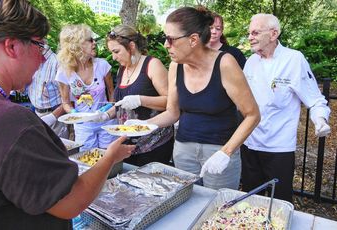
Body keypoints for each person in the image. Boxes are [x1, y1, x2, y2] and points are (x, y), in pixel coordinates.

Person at [0, 0, 135, 229]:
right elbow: (69, 201)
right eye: (40, 46)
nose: (44, 58)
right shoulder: (10, 121)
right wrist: (109, 158)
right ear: (12, 47)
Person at [128, 6, 260, 190]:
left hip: (219, 150)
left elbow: (252, 115)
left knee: (217, 209)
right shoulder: (176, 66)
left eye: (170, 39)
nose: (166, 44)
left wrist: (226, 152)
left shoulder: (225, 63)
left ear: (193, 40)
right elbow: (172, 113)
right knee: (188, 203)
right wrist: (143, 126)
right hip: (183, 149)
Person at [241, 13, 331, 203]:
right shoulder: (250, 62)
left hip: (278, 149)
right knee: (250, 201)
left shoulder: (294, 60)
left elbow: (315, 100)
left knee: (278, 203)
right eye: (249, 33)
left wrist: (320, 120)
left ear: (273, 34)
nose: (250, 37)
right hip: (250, 145)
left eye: (255, 32)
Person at [103, 25, 174, 166]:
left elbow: (170, 102)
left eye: (116, 51)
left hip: (154, 143)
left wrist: (140, 100)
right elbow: (121, 105)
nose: (113, 57)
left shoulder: (152, 65)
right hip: (127, 144)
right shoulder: (122, 70)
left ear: (131, 46)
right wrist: (105, 115)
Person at [56, 24, 116, 151]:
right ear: (76, 45)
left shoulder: (102, 65)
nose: (94, 43)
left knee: (110, 158)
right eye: (90, 40)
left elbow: (112, 92)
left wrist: (108, 108)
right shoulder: (64, 72)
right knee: (87, 160)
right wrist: (75, 114)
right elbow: (66, 103)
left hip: (106, 120)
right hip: (83, 126)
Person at [27, 43, 68, 138]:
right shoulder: (31, 61)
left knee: (58, 150)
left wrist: (52, 117)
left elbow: (70, 98)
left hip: (56, 117)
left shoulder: (57, 63)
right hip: (36, 114)